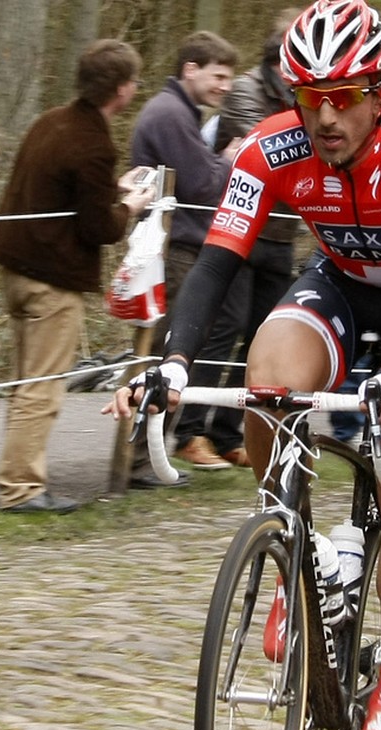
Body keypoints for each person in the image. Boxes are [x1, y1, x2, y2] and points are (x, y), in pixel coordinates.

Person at [107, 0, 381, 730]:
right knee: (268, 378)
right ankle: (300, 554)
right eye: (309, 95)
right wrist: (174, 363)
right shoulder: (273, 148)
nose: (326, 115)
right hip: (342, 293)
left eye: (344, 96)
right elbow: (216, 264)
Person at [0, 39, 156, 513]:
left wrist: (111, 190)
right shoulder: (94, 142)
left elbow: (60, 192)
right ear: (121, 90)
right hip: (51, 280)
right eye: (133, 83)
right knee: (42, 387)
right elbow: (99, 227)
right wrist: (130, 205)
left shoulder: (52, 121)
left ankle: (17, 474)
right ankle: (20, 487)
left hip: (14, 268)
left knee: (26, 384)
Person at [128, 31, 242, 476]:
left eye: (230, 78)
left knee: (164, 350)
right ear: (190, 69)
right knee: (162, 352)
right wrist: (229, 160)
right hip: (173, 248)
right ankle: (139, 463)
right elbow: (204, 183)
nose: (225, 86)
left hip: (177, 244)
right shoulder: (172, 115)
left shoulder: (180, 112)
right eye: (219, 75)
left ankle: (145, 459)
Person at [208, 10, 303, 469]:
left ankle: (228, 431)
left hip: (282, 233)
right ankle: (190, 431)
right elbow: (267, 155)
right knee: (226, 329)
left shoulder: (294, 94)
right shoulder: (247, 89)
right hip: (244, 230)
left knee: (260, 337)